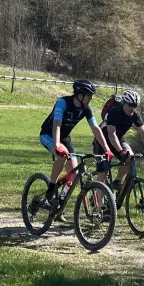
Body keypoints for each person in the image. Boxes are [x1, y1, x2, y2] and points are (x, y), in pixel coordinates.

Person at [40, 79, 109, 208]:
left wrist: (106, 149)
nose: (90, 99)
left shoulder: (86, 108)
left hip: (65, 138)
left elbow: (95, 128)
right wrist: (56, 144)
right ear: (80, 95)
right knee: (62, 155)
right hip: (48, 135)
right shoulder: (63, 103)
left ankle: (59, 206)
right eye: (89, 96)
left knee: (74, 174)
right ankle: (51, 188)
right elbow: (57, 125)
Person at [93, 89, 144, 193]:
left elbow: (143, 133)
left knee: (130, 157)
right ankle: (100, 205)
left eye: (135, 106)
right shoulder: (114, 112)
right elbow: (111, 134)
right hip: (102, 141)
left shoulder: (135, 116)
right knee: (103, 172)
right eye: (130, 105)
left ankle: (117, 181)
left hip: (118, 139)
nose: (132, 108)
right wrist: (121, 151)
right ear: (124, 103)